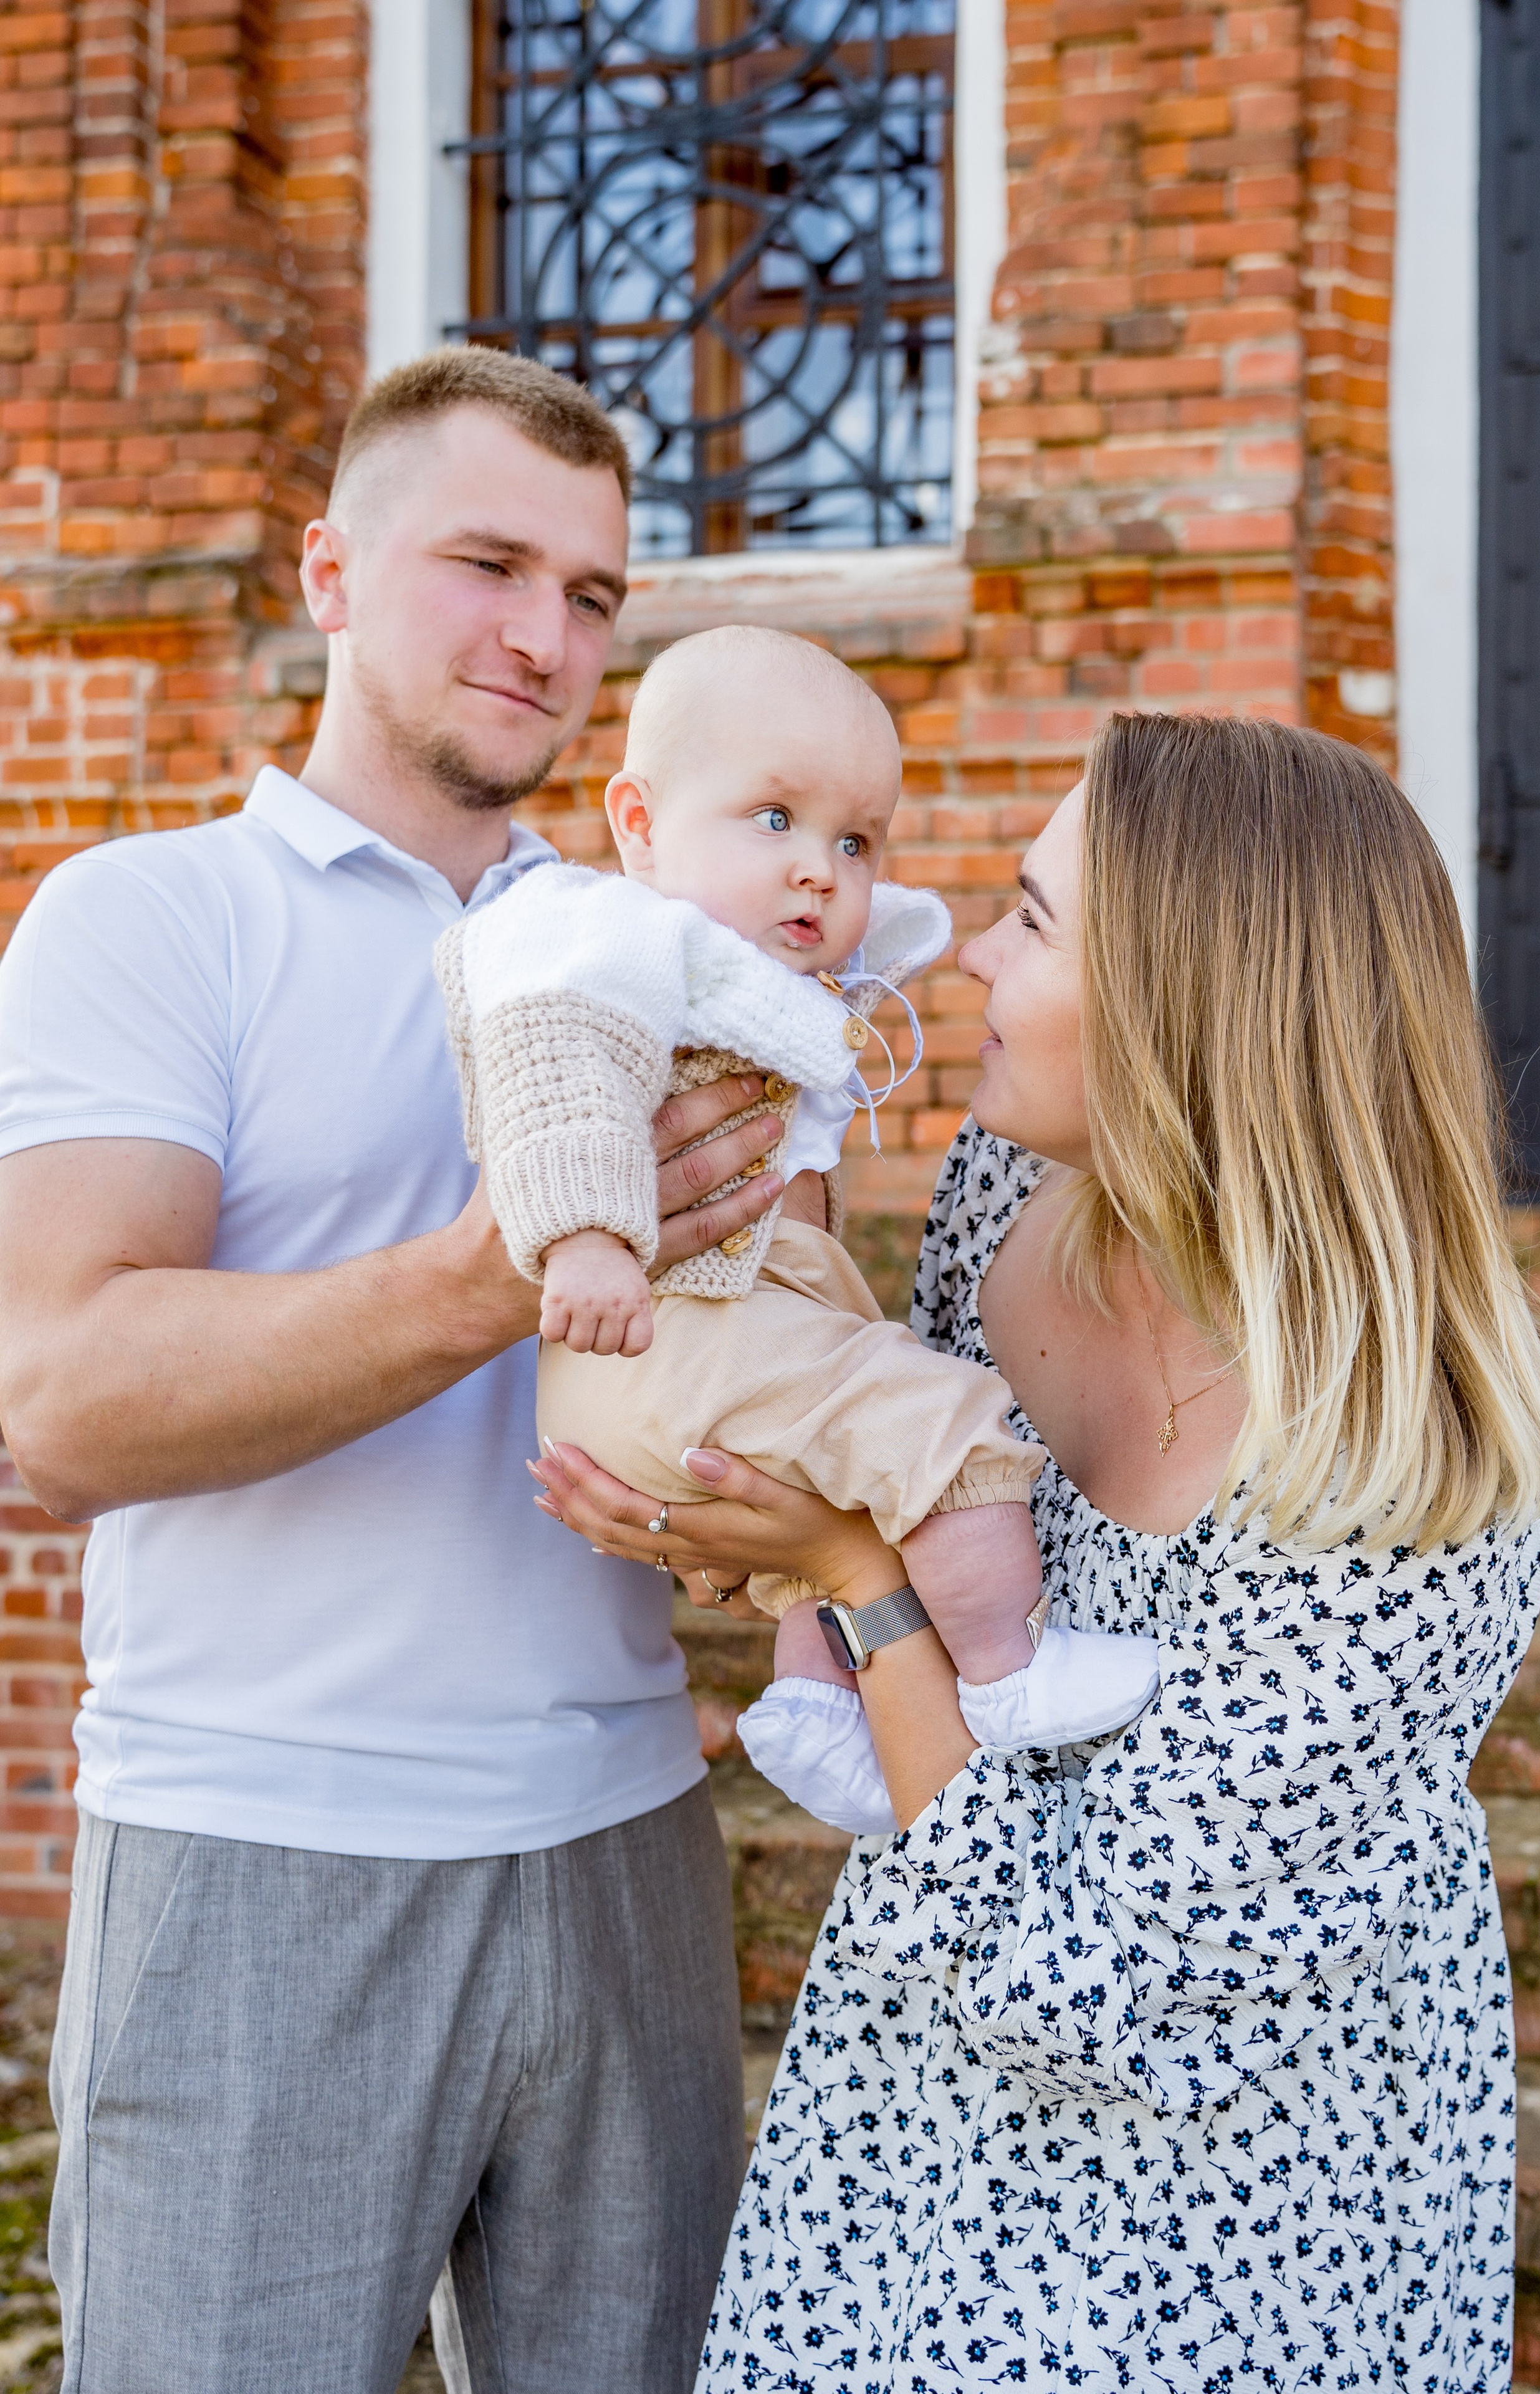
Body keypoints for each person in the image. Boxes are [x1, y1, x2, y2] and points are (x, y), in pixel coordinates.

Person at [531, 709, 1540, 2394]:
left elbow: (1084, 1977)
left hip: (1232, 2224)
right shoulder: (999, 1194)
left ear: (1185, 1006)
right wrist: (738, 1506)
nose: (965, 964)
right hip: (909, 2133)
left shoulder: (1406, 1491)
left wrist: (856, 1586)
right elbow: (916, 1522)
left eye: (1029, 921)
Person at [0, 348, 789, 2394]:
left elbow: (742, 1382)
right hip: (267, 1859)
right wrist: (508, 1263)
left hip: (624, 1840)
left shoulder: (657, 943)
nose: (548, 635)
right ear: (331, 571)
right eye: (489, 565)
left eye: (598, 594)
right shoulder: (152, 921)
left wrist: (753, 1503)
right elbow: (63, 1397)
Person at [448, 623, 1158, 1833]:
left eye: (854, 839)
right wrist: (583, 1239)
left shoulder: (764, 976)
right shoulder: (605, 937)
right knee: (939, 1420)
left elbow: (882, 954)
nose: (820, 871)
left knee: (849, 1456)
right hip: (659, 1340)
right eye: (771, 818)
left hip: (713, 1344)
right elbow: (549, 1068)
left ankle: (812, 1698)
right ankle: (1007, 1666)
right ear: (637, 821)